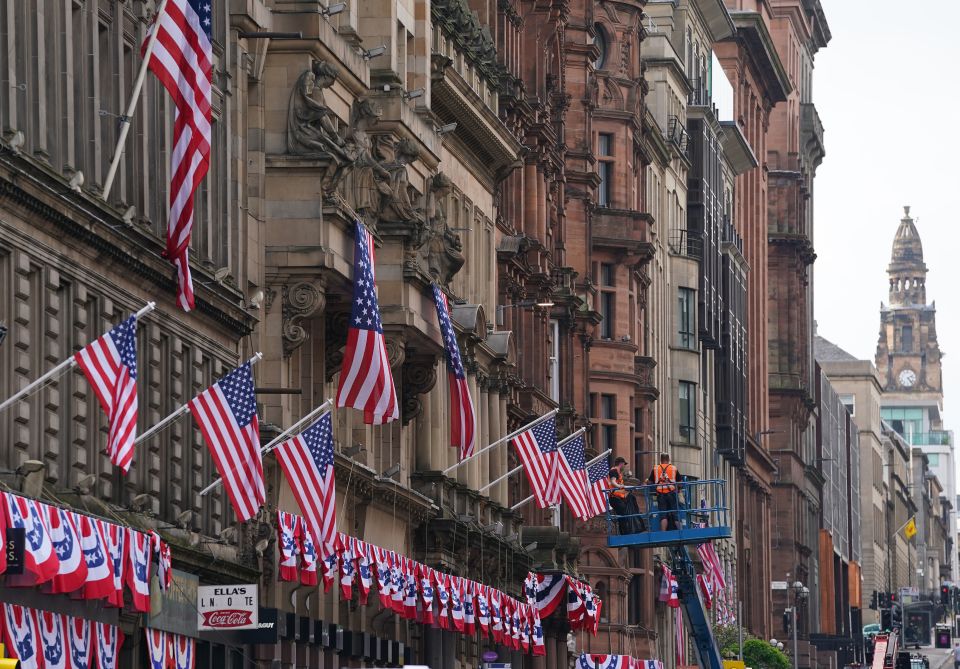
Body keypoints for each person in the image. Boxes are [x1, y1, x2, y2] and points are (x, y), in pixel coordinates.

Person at [608, 457, 643, 534]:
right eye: (624, 464)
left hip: (619, 497)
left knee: (631, 498)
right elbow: (613, 482)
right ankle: (625, 532)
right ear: (621, 463)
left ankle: (634, 522)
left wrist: (625, 488)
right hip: (614, 498)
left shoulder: (618, 472)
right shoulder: (614, 471)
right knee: (623, 513)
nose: (624, 466)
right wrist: (619, 486)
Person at [646, 453, 680, 531]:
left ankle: (663, 533)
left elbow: (650, 482)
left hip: (660, 494)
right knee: (675, 513)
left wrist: (647, 481)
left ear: (660, 460)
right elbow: (680, 482)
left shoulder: (656, 468)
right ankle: (680, 532)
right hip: (672, 493)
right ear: (668, 459)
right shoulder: (673, 468)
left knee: (663, 515)